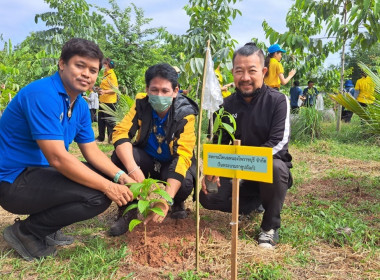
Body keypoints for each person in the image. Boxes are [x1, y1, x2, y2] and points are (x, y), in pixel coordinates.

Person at [0, 38, 135, 261]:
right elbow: (58, 158)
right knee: (98, 195)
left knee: (102, 177)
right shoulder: (43, 94)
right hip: (13, 182)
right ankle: (27, 232)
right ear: (62, 64)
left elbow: (91, 151)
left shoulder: (79, 104)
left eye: (93, 70)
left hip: (38, 174)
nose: (86, 74)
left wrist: (122, 177)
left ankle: (47, 226)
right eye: (79, 65)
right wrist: (108, 187)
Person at [200, 42, 293, 249]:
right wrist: (211, 169)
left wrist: (244, 165)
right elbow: (220, 142)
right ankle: (254, 203)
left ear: (264, 71)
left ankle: (269, 227)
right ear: (233, 72)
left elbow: (278, 143)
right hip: (236, 173)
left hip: (265, 170)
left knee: (277, 168)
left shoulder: (278, 101)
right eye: (239, 71)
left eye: (252, 71)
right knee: (207, 197)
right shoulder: (225, 106)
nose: (245, 78)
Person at [108, 63, 198, 236]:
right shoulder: (141, 104)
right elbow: (120, 133)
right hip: (147, 159)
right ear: (147, 89)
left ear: (175, 91)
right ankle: (128, 210)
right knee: (120, 158)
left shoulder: (185, 113)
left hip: (170, 162)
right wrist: (133, 169)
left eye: (165, 91)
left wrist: (165, 199)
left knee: (185, 181)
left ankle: (177, 202)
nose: (159, 95)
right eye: (154, 90)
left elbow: (183, 155)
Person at [96, 58, 118, 144]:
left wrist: (104, 91)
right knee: (101, 120)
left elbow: (115, 89)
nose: (102, 66)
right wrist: (99, 89)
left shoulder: (112, 75)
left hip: (110, 101)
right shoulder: (105, 74)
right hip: (102, 100)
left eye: (103, 64)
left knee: (110, 121)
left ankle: (111, 138)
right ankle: (101, 137)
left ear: (107, 65)